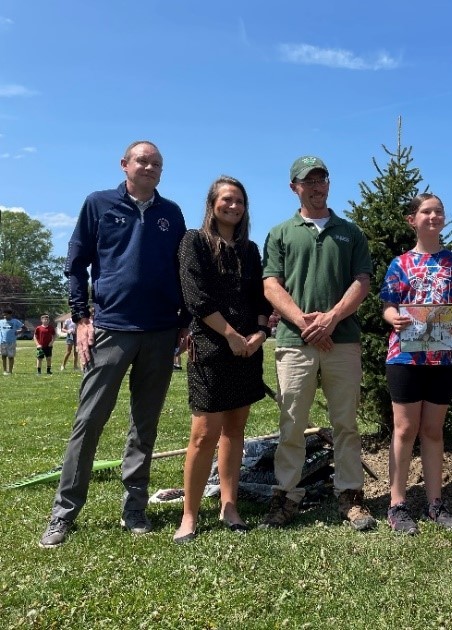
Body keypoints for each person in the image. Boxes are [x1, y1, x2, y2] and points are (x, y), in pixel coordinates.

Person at [39, 140, 188, 548]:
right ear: (124, 165)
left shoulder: (171, 214)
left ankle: (135, 507)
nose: (150, 167)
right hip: (110, 328)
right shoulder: (98, 204)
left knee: (145, 425)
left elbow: (182, 271)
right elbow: (75, 263)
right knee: (89, 422)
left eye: (157, 162)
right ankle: (63, 512)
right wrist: (82, 317)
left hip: (160, 332)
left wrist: (184, 322)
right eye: (143, 160)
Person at [261, 156, 375, 531]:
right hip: (295, 342)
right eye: (307, 180)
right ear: (294, 187)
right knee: (291, 423)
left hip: (342, 341)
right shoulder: (281, 232)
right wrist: (302, 320)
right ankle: (287, 497)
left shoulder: (350, 232)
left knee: (345, 423)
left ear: (328, 183)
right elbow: (271, 284)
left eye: (321, 178)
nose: (316, 186)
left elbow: (362, 281)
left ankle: (350, 497)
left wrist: (330, 319)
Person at [173, 176, 272, 543]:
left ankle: (230, 506)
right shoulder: (193, 242)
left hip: (247, 348)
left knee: (235, 429)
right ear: (212, 203)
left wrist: (260, 333)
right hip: (212, 348)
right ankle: (189, 514)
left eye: (240, 202)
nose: (234, 206)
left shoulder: (249, 250)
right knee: (203, 434)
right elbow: (195, 297)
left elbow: (260, 298)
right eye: (227, 200)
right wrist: (229, 335)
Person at [380, 193, 452, 535]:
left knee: (433, 432)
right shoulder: (400, 264)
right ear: (412, 220)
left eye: (439, 211)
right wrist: (395, 320)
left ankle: (436, 503)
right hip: (404, 356)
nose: (434, 216)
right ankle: (397, 504)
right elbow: (389, 305)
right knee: (404, 430)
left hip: (444, 357)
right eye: (426, 211)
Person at [0, 309, 24, 375]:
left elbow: (24, 328)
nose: (4, 316)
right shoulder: (1, 322)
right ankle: (5, 371)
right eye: (3, 315)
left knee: (11, 356)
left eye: (6, 315)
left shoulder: (15, 321)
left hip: (12, 342)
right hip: (2, 342)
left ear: (10, 314)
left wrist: (18, 332)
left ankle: (10, 371)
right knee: (4, 356)